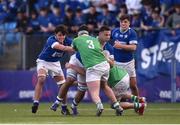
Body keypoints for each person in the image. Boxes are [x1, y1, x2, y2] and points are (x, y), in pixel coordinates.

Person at [50, 25, 123, 116]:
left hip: (91, 66)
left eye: (109, 35)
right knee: (70, 80)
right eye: (106, 35)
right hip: (85, 62)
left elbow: (72, 50)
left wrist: (71, 66)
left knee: (86, 89)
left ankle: (80, 105)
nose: (108, 37)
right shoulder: (94, 40)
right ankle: (57, 102)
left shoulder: (78, 40)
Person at [72, 25, 123, 116]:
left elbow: (74, 49)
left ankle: (99, 106)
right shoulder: (94, 40)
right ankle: (117, 105)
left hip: (93, 67)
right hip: (104, 65)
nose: (108, 37)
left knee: (94, 92)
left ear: (78, 35)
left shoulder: (76, 40)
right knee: (105, 86)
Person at [31, 25, 74, 114]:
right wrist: (76, 48)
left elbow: (75, 44)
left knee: (63, 86)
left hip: (55, 64)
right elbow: (63, 48)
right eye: (59, 35)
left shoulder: (67, 41)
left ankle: (64, 107)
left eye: (63, 35)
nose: (61, 37)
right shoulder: (51, 40)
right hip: (43, 61)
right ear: (55, 35)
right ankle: (36, 102)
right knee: (41, 79)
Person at [111, 14, 139, 96]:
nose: (123, 24)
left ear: (129, 23)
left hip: (128, 63)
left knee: (133, 85)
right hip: (116, 63)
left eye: (125, 22)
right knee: (119, 87)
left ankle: (139, 104)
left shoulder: (132, 33)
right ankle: (120, 104)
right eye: (121, 22)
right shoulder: (114, 32)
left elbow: (133, 47)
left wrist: (120, 46)